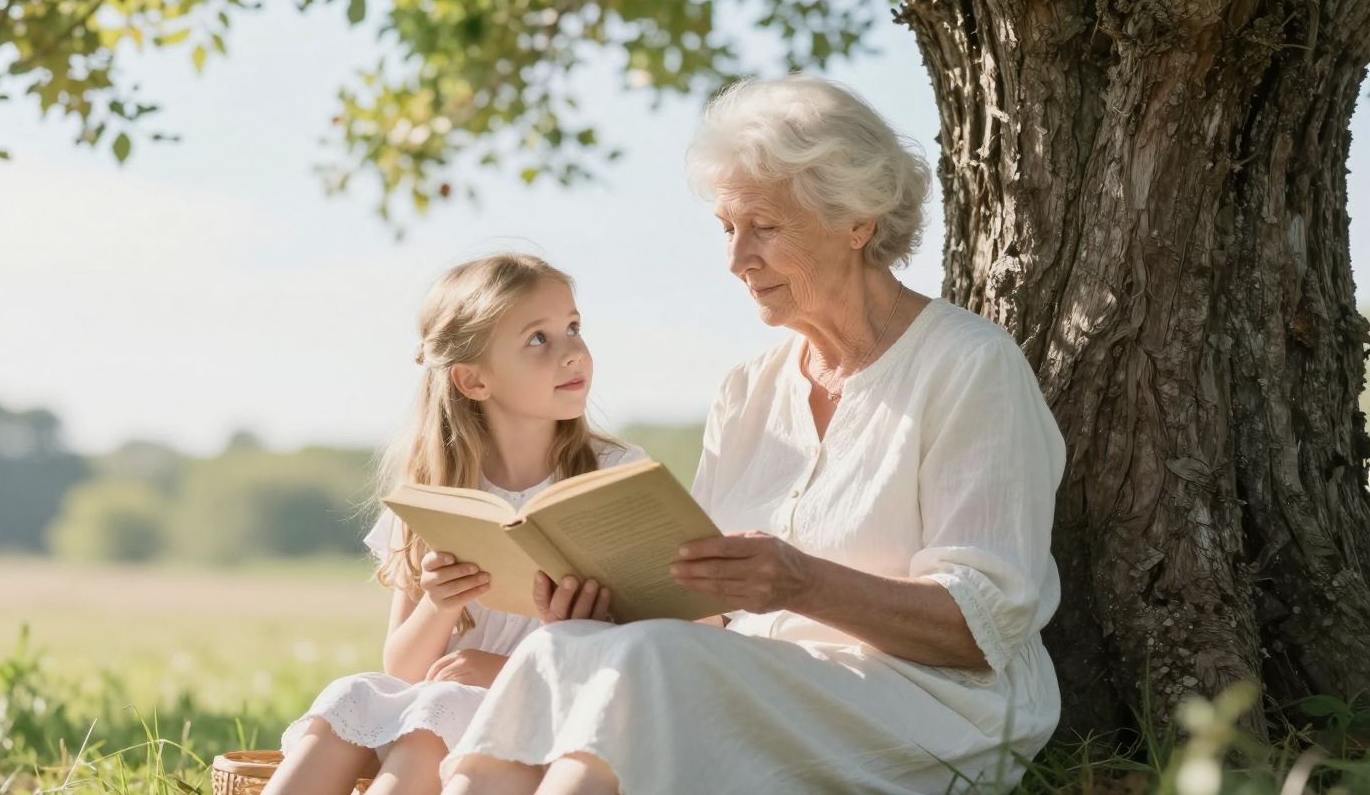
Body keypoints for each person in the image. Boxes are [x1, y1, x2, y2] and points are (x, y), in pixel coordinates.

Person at [440, 77, 1066, 794]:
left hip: (934, 706)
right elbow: (707, 615)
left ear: (856, 220)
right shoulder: (747, 388)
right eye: (727, 229)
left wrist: (803, 583)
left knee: (649, 663)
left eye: (764, 228)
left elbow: (978, 632)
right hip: (756, 681)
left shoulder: (969, 365)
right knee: (561, 650)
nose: (737, 260)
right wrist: (605, 605)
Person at [264, 253, 642, 795]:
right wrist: (439, 606)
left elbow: (642, 656)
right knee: (354, 695)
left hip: (560, 716)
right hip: (449, 702)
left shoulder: (611, 476)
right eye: (539, 338)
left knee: (437, 713)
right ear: (472, 379)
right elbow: (402, 666)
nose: (573, 351)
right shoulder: (439, 493)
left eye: (574, 327)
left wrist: (511, 668)